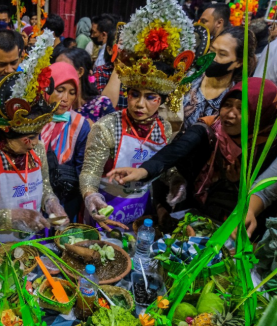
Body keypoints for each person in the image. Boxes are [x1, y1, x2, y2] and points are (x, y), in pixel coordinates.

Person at [80, 0, 194, 227]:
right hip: (104, 210)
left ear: (161, 100)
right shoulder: (107, 126)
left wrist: (174, 180)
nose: (139, 104)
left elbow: (161, 166)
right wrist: (91, 195)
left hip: (141, 210)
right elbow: (90, 172)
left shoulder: (164, 127)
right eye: (134, 95)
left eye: (150, 97)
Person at [108, 78, 277, 226]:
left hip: (242, 224)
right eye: (227, 105)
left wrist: (237, 183)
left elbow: (267, 191)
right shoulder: (212, 127)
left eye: (242, 109)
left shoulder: (271, 147)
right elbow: (178, 149)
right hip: (197, 212)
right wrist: (143, 170)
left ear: (261, 114)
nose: (230, 114)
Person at [0, 30, 69, 260]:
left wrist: (52, 204)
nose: (33, 145)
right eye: (26, 139)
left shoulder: (37, 148)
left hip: (30, 244)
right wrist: (11, 216)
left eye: (36, 136)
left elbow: (45, 187)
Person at [41, 62, 91, 222]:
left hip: (65, 198)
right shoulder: (33, 118)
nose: (65, 99)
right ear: (47, 88)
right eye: (60, 90)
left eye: (71, 93)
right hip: (35, 194)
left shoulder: (80, 125)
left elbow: (82, 167)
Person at [182, 26, 257, 131]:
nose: (212, 57)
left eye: (222, 54)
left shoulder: (233, 101)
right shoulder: (189, 78)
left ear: (239, 62)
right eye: (211, 50)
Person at [56, 48, 115, 123]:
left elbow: (114, 132)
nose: (57, 72)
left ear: (80, 72)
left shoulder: (101, 104)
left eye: (62, 69)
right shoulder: (56, 105)